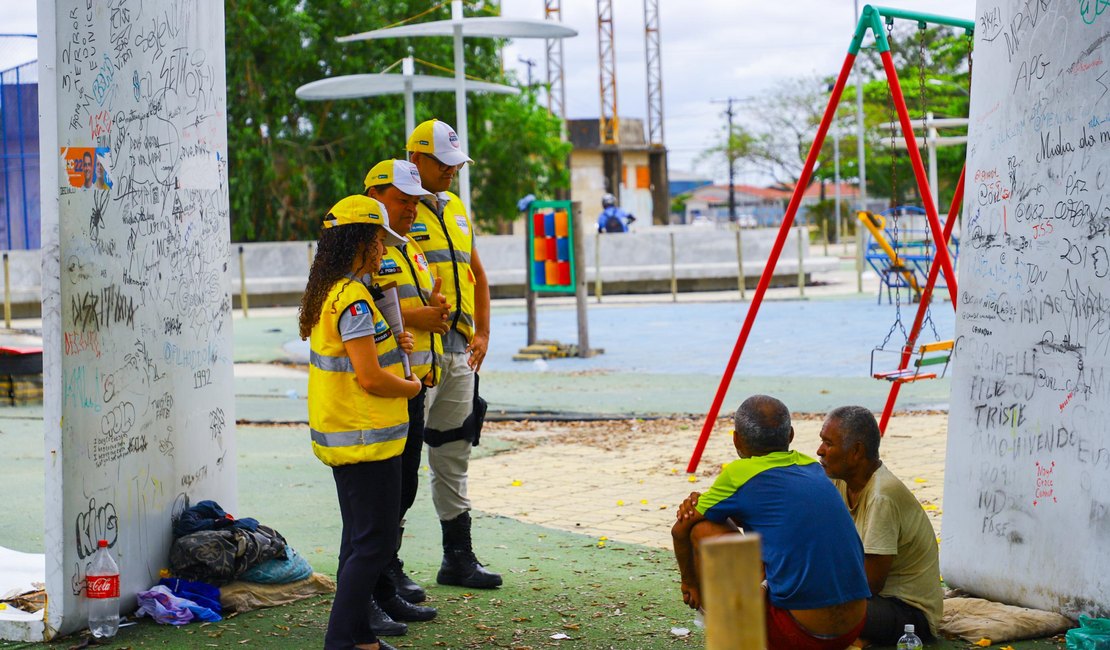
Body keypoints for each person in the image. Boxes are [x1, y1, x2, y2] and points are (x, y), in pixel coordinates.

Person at [299, 194, 422, 650]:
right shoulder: (352, 298)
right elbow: (370, 377)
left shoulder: (334, 292)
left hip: (350, 439)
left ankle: (359, 636)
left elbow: (363, 354)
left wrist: (393, 335)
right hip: (368, 440)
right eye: (379, 240)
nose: (384, 250)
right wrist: (410, 390)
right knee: (374, 544)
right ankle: (341, 641)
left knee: (359, 541)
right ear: (362, 240)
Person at [671, 395, 871, 650]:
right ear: (790, 435)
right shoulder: (812, 466)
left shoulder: (739, 474)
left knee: (702, 528)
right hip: (853, 626)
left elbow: (680, 530)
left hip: (801, 634)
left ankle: (733, 639)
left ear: (736, 440)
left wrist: (689, 583)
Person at [406, 118, 501, 589]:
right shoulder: (394, 209)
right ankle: (387, 569)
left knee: (454, 451)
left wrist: (483, 333)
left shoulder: (456, 209)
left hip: (459, 352)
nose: (450, 172)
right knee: (399, 460)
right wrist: (411, 318)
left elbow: (476, 273)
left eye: (455, 164)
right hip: (414, 358)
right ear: (414, 159)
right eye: (442, 164)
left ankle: (457, 559)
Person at [363, 159, 448, 628]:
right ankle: (370, 595)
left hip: (411, 382)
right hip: (376, 391)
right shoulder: (357, 247)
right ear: (375, 195)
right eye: (402, 200)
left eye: (415, 202)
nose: (411, 209)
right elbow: (359, 313)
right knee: (375, 503)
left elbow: (402, 303)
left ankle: (385, 583)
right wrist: (419, 319)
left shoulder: (406, 245)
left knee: (403, 489)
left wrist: (433, 307)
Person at [816, 406, 943, 646]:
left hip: (910, 614)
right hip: (873, 601)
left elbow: (870, 584)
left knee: (815, 608)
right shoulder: (839, 482)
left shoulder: (881, 496)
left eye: (828, 443)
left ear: (856, 452)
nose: (820, 450)